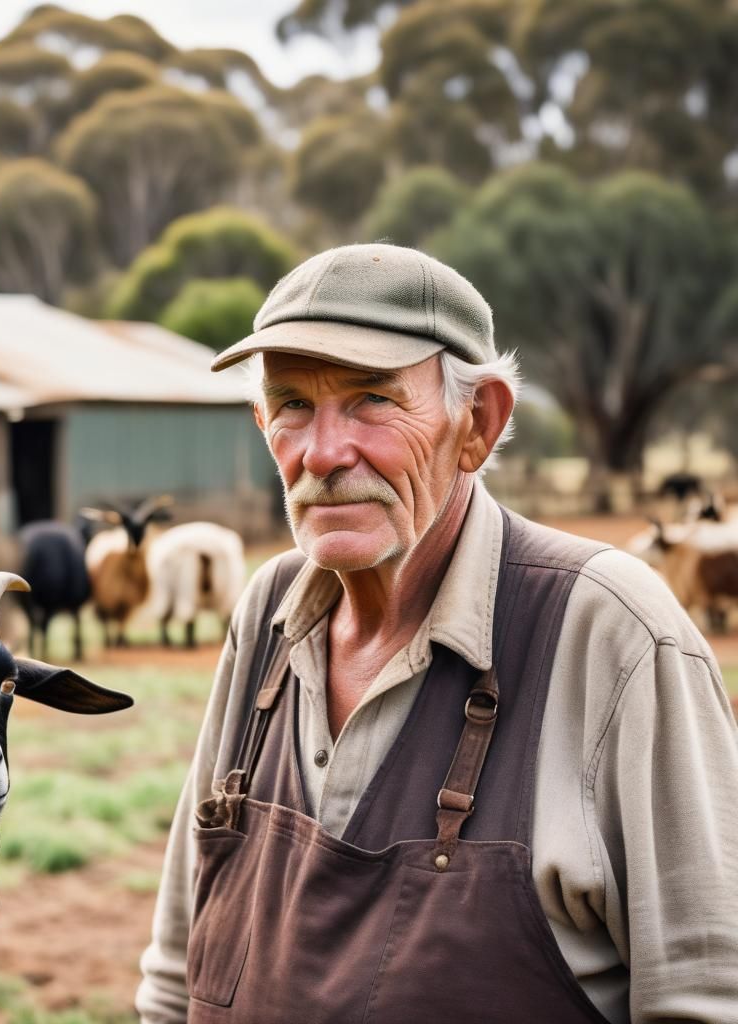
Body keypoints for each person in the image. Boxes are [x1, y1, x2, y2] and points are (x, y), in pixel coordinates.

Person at [136, 243, 738, 1024]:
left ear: (476, 425)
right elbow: (174, 977)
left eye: (372, 400)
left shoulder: (609, 631)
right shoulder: (268, 614)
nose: (323, 452)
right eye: (291, 404)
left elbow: (708, 998)